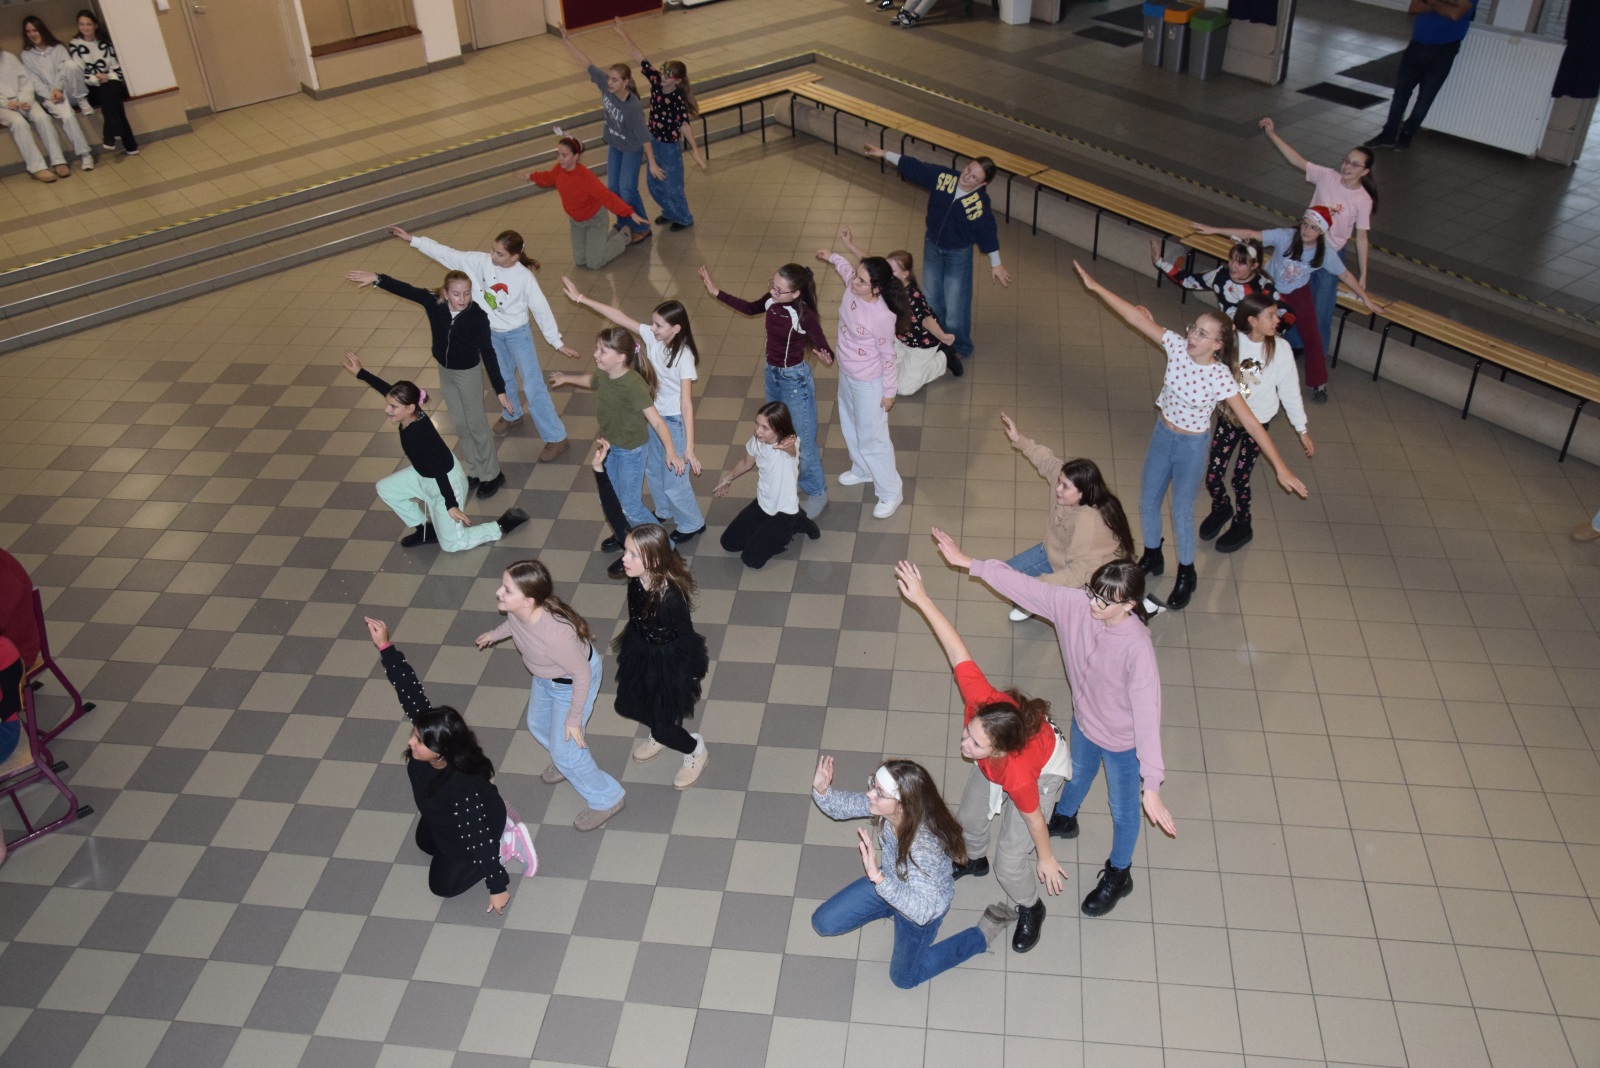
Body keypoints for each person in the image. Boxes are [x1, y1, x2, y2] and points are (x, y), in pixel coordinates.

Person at [934, 533, 1177, 919]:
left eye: (1104, 601)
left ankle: (1120, 872)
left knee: (1123, 809)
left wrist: (1152, 784)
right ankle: (1065, 817)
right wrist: (970, 563)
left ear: (1129, 605)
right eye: (1093, 593)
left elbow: (1148, 717)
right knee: (1075, 775)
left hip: (1122, 741)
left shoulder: (1137, 649)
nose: (1093, 604)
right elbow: (1026, 588)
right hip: (1085, 721)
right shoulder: (1077, 605)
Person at [1073, 262, 1307, 611]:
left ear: (1218, 345)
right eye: (1194, 329)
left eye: (1202, 334)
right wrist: (1095, 287)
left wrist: (1281, 467)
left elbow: (1252, 423)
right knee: (1147, 501)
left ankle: (1187, 572)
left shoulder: (1221, 377)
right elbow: (1135, 318)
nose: (1193, 337)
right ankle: (1153, 555)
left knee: (1181, 511)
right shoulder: (1177, 346)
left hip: (1192, 446)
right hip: (1162, 435)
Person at [897, 560, 1071, 952]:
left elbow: (1035, 820)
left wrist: (1045, 858)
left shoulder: (1018, 772)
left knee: (1010, 861)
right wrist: (921, 598)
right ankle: (973, 861)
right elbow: (955, 646)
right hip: (1003, 758)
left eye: (974, 744)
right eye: (968, 733)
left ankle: (1032, 907)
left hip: (1043, 771)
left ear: (998, 750)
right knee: (969, 821)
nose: (964, 744)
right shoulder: (982, 702)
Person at [810, 753, 1016, 986]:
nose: (870, 794)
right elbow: (843, 806)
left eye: (879, 792)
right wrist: (822, 791)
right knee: (823, 922)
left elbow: (923, 912)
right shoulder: (890, 810)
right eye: (873, 785)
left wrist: (878, 879)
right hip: (890, 882)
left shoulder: (923, 848)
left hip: (918, 908)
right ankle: (889, 906)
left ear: (903, 804)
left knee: (904, 979)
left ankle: (981, 936)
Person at [365, 618, 525, 910]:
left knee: (442, 886)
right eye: (415, 734)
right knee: (424, 843)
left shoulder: (463, 788)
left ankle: (505, 839)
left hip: (475, 827)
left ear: (441, 752)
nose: (411, 742)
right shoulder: (433, 735)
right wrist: (385, 646)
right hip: (445, 817)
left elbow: (477, 837)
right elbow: (410, 691)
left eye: (419, 741)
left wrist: (497, 886)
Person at [389, 225, 577, 458]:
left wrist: (556, 341)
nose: (492, 256)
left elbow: (541, 309)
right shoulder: (479, 262)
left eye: (499, 254)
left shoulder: (524, 278)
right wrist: (414, 240)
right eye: (492, 250)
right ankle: (512, 414)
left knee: (533, 385)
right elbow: (446, 254)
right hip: (491, 333)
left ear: (514, 257)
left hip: (518, 335)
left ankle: (557, 438)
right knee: (503, 377)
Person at [476, 560, 627, 832]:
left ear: (529, 600)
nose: (499, 592)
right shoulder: (521, 612)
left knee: (568, 750)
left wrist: (574, 718)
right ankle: (564, 759)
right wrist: (494, 635)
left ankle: (608, 798)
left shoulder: (555, 635)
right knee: (538, 724)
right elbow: (514, 626)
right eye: (502, 586)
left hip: (571, 684)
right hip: (546, 678)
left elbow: (582, 675)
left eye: (507, 590)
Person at [344, 267, 509, 499]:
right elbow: (407, 290)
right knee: (461, 424)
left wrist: (500, 389)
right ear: (445, 293)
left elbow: (488, 352)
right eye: (456, 294)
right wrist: (378, 279)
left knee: (476, 424)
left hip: (467, 373)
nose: (463, 299)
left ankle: (492, 474)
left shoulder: (477, 317)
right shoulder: (435, 303)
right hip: (445, 370)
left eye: (467, 293)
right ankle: (476, 470)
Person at [562, 278, 705, 543]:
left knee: (674, 481)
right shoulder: (654, 337)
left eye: (659, 325)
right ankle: (663, 512)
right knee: (653, 471)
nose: (652, 328)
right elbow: (618, 316)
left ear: (676, 328)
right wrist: (581, 298)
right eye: (653, 323)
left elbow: (686, 404)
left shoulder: (684, 357)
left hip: (672, 421)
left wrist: (689, 447)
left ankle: (692, 523)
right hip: (650, 415)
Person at [339, 350, 527, 551]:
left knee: (453, 544)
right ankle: (426, 530)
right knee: (386, 488)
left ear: (410, 407)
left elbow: (439, 471)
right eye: (389, 405)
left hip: (446, 482)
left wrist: (450, 504)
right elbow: (387, 389)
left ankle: (501, 525)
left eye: (393, 407)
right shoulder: (413, 413)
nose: (387, 410)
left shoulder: (419, 435)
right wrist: (361, 372)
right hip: (424, 475)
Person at [1193, 208, 1384, 404]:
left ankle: (1318, 382)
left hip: (1296, 292)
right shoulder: (1286, 236)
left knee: (1312, 333)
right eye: (1305, 224)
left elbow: (1345, 275)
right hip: (1269, 287)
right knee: (1253, 335)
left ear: (1321, 232)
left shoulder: (1325, 252)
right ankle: (1240, 383)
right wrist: (1215, 230)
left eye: (1313, 227)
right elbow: (1252, 234)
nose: (1306, 230)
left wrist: (1365, 298)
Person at [699, 262, 835, 518]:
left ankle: (818, 492)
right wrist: (717, 292)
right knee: (780, 430)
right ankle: (793, 477)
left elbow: (825, 349)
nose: (773, 291)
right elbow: (750, 308)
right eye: (772, 284)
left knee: (803, 440)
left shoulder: (804, 315)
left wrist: (826, 356)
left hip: (795, 381)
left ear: (796, 293)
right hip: (772, 374)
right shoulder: (772, 300)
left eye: (779, 289)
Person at [862, 144, 1012, 361]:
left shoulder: (979, 204)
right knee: (932, 298)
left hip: (958, 254)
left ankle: (960, 346)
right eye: (968, 169)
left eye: (974, 177)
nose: (966, 177)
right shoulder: (945, 178)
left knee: (955, 304)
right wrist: (885, 154)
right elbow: (917, 168)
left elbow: (987, 231)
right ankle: (939, 336)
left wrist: (996, 263)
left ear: (983, 184)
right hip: (932, 245)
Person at [548, 329, 679, 579]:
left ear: (621, 357)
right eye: (597, 348)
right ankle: (628, 541)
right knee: (608, 500)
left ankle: (666, 550)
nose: (595, 354)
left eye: (602, 351)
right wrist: (566, 378)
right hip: (610, 448)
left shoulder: (633, 386)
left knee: (631, 506)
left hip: (631, 452)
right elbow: (591, 380)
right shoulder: (605, 373)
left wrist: (671, 451)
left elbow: (657, 422)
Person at [1258, 118, 1377, 372]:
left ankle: (1317, 355)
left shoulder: (1363, 200)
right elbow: (1297, 161)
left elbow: (1362, 238)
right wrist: (1272, 134)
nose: (1347, 166)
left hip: (1330, 255)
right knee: (1294, 300)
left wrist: (1363, 274)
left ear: (1365, 172)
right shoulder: (1327, 176)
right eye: (1346, 160)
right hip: (1305, 249)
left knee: (1322, 308)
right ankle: (1293, 345)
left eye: (1355, 164)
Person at [1200, 294, 1314, 554]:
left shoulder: (1280, 349)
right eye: (1270, 316)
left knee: (1240, 478)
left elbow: (1290, 391)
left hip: (1258, 423)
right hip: (1229, 418)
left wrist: (1302, 428)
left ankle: (1243, 523)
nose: (1277, 320)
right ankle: (1221, 507)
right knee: (1214, 475)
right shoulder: (1233, 341)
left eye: (1276, 315)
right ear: (1252, 320)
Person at [997, 413, 1135, 622]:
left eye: (1065, 486)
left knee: (1025, 586)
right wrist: (1019, 439)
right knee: (1004, 575)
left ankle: (1045, 603)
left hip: (1082, 574)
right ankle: (1036, 600)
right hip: (1056, 551)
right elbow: (1048, 462)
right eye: (1060, 482)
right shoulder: (1067, 487)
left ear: (1082, 493)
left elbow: (1079, 573)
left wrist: (1038, 585)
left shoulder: (1088, 524)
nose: (1058, 489)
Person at [613, 525, 711, 788]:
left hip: (669, 661)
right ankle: (659, 732)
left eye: (633, 554)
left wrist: (693, 670)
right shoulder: (635, 579)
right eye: (625, 550)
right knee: (625, 705)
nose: (624, 558)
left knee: (666, 726)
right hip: (641, 650)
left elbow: (686, 635)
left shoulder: (671, 597)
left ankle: (695, 750)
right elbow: (637, 615)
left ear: (654, 560)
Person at [815, 240, 906, 519]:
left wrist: (889, 393)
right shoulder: (852, 287)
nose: (855, 281)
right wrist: (832, 256)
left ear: (876, 289)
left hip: (869, 383)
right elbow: (845, 269)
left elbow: (888, 357)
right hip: (847, 373)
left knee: (873, 438)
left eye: (862, 281)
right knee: (850, 423)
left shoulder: (881, 316)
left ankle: (890, 492)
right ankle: (863, 468)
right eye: (857, 275)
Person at [559, 28, 655, 243]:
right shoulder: (606, 85)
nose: (609, 82)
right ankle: (624, 222)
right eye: (609, 78)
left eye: (614, 80)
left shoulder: (632, 107)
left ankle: (642, 226)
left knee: (627, 189)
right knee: (612, 188)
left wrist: (653, 163)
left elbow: (644, 137)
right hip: (615, 145)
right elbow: (587, 64)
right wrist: (567, 41)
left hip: (631, 149)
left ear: (625, 82)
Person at [612, 18, 707, 231]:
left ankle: (684, 218)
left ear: (678, 81)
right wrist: (623, 33)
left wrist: (695, 151)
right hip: (653, 140)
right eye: (663, 73)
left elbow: (684, 125)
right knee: (654, 183)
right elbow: (640, 58)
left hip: (669, 147)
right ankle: (669, 211)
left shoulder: (677, 99)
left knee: (673, 185)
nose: (663, 77)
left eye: (668, 76)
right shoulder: (656, 81)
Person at [839, 227, 960, 391]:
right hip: (900, 339)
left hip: (921, 345)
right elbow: (868, 261)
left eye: (893, 271)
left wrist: (941, 336)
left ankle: (944, 357)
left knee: (904, 388)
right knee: (883, 374)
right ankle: (912, 366)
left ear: (905, 274)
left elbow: (926, 319)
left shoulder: (913, 297)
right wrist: (849, 244)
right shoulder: (886, 281)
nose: (888, 274)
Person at [714, 402, 821, 569]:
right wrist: (727, 479)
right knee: (729, 543)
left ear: (779, 429)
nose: (758, 431)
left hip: (784, 511)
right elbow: (746, 462)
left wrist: (788, 446)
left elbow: (792, 450)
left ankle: (796, 521)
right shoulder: (757, 441)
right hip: (763, 502)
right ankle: (772, 532)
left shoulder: (789, 444)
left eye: (765, 428)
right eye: (757, 423)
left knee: (751, 560)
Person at [523, 135, 650, 270]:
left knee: (594, 263)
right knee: (580, 260)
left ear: (576, 156)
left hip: (595, 221)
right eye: (558, 154)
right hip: (576, 222)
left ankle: (624, 235)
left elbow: (607, 197)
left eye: (564, 155)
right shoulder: (559, 170)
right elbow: (547, 177)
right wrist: (530, 176)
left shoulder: (586, 177)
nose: (560, 158)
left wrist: (630, 212)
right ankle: (613, 233)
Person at [1365, 0, 1478, 151]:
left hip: (1444, 50)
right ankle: (1388, 134)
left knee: (1426, 96)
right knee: (1401, 92)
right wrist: (1445, 5)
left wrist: (1430, 2)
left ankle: (1408, 132)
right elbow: (1414, 7)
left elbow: (1455, 14)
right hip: (1416, 45)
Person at [1150, 236, 1282, 325]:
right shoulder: (1220, 276)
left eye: (1241, 263)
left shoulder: (1264, 287)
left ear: (1254, 266)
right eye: (1231, 259)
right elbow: (1188, 280)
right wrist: (1160, 262)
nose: (1233, 266)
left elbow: (1285, 315)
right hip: (1228, 335)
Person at [20, 17, 92, 173]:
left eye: (35, 30)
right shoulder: (26, 55)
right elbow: (34, 81)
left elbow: (63, 70)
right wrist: (50, 94)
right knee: (68, 117)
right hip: (51, 98)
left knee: (71, 65)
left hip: (68, 90)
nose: (32, 34)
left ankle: (82, 99)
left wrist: (58, 88)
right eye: (28, 31)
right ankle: (85, 155)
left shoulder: (58, 48)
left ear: (42, 30)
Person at [68, 10, 136, 156]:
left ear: (95, 25)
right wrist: (96, 78)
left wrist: (107, 76)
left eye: (88, 24)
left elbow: (116, 69)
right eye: (81, 24)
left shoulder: (105, 44)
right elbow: (79, 72)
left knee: (110, 90)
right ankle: (129, 144)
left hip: (110, 82)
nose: (85, 27)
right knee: (113, 100)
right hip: (93, 87)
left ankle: (109, 134)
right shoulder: (75, 44)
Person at [1, 48, 68, 182]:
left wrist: (25, 99)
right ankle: (37, 167)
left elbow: (25, 81)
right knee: (18, 122)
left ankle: (58, 160)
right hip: (3, 106)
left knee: (42, 117)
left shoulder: (8, 56)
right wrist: (5, 103)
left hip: (22, 98)